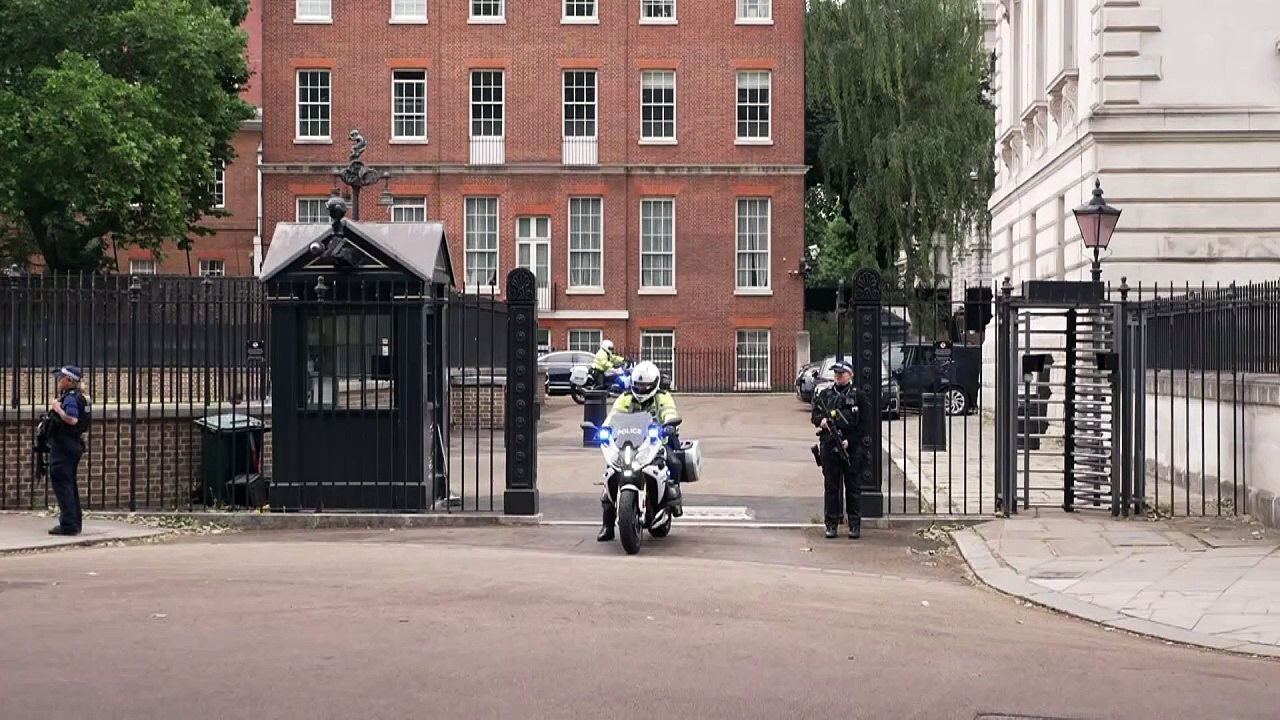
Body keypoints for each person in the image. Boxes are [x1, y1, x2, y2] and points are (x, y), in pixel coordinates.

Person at [597, 361, 683, 541]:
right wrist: (604, 430)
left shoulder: (663, 397)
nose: (641, 390)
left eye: (646, 386)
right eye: (638, 385)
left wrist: (669, 424)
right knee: (610, 473)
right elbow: (613, 416)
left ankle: (673, 501)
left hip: (656, 442)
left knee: (674, 462)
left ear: (654, 384)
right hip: (627, 443)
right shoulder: (625, 398)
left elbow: (669, 412)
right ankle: (607, 525)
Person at [810, 361, 870, 539]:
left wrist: (850, 442)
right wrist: (821, 421)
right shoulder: (826, 394)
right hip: (829, 445)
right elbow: (815, 415)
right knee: (831, 487)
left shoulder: (858, 395)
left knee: (853, 487)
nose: (838, 376)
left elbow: (865, 424)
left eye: (841, 373)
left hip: (851, 447)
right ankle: (831, 524)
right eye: (836, 373)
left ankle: (854, 524)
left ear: (850, 375)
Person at [46, 366, 90, 536]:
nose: (59, 381)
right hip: (72, 446)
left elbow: (72, 419)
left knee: (63, 485)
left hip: (64, 447)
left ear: (70, 381)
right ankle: (73, 521)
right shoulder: (81, 398)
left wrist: (56, 408)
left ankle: (69, 524)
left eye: (61, 378)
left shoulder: (71, 398)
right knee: (69, 485)